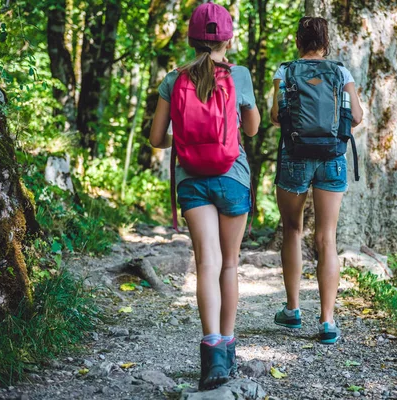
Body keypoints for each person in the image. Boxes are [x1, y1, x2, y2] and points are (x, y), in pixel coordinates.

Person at [149, 2, 260, 390]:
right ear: (227, 38)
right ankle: (227, 351)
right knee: (230, 264)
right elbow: (251, 129)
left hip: (192, 180)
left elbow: (156, 138)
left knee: (206, 264)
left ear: (191, 38)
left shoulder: (173, 78)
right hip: (233, 177)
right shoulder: (240, 75)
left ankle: (210, 350)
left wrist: (183, 137)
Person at [270, 17, 363, 344]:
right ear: (326, 41)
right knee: (327, 237)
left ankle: (293, 310)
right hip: (332, 158)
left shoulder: (285, 72)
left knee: (292, 230)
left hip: (295, 156)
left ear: (299, 40)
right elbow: (358, 116)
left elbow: (274, 115)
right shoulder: (341, 72)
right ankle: (326, 321)